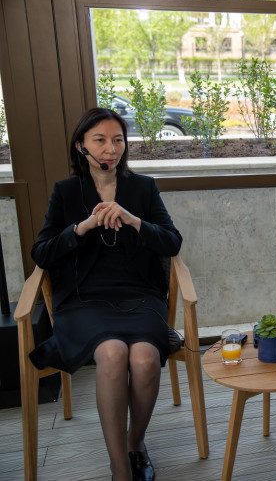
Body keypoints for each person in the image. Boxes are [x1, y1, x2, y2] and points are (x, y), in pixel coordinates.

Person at [29, 108, 182, 481]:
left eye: (118, 140)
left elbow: (172, 242)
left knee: (145, 358)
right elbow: (42, 253)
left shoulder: (143, 188)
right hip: (83, 300)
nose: (111, 149)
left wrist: (133, 220)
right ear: (81, 146)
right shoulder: (65, 192)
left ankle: (135, 443)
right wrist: (81, 227)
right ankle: (120, 467)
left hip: (139, 295)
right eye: (99, 140)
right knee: (112, 353)